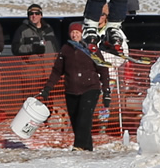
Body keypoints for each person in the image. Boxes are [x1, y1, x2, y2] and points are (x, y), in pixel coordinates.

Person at [40, 22, 110, 151]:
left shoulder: (91, 49)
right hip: (71, 90)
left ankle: (78, 146)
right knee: (76, 120)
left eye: (77, 32)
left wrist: (106, 91)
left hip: (90, 88)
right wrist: (47, 89)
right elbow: (56, 71)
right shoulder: (65, 49)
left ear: (82, 34)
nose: (74, 35)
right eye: (72, 32)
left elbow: (103, 69)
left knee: (84, 117)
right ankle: (87, 147)